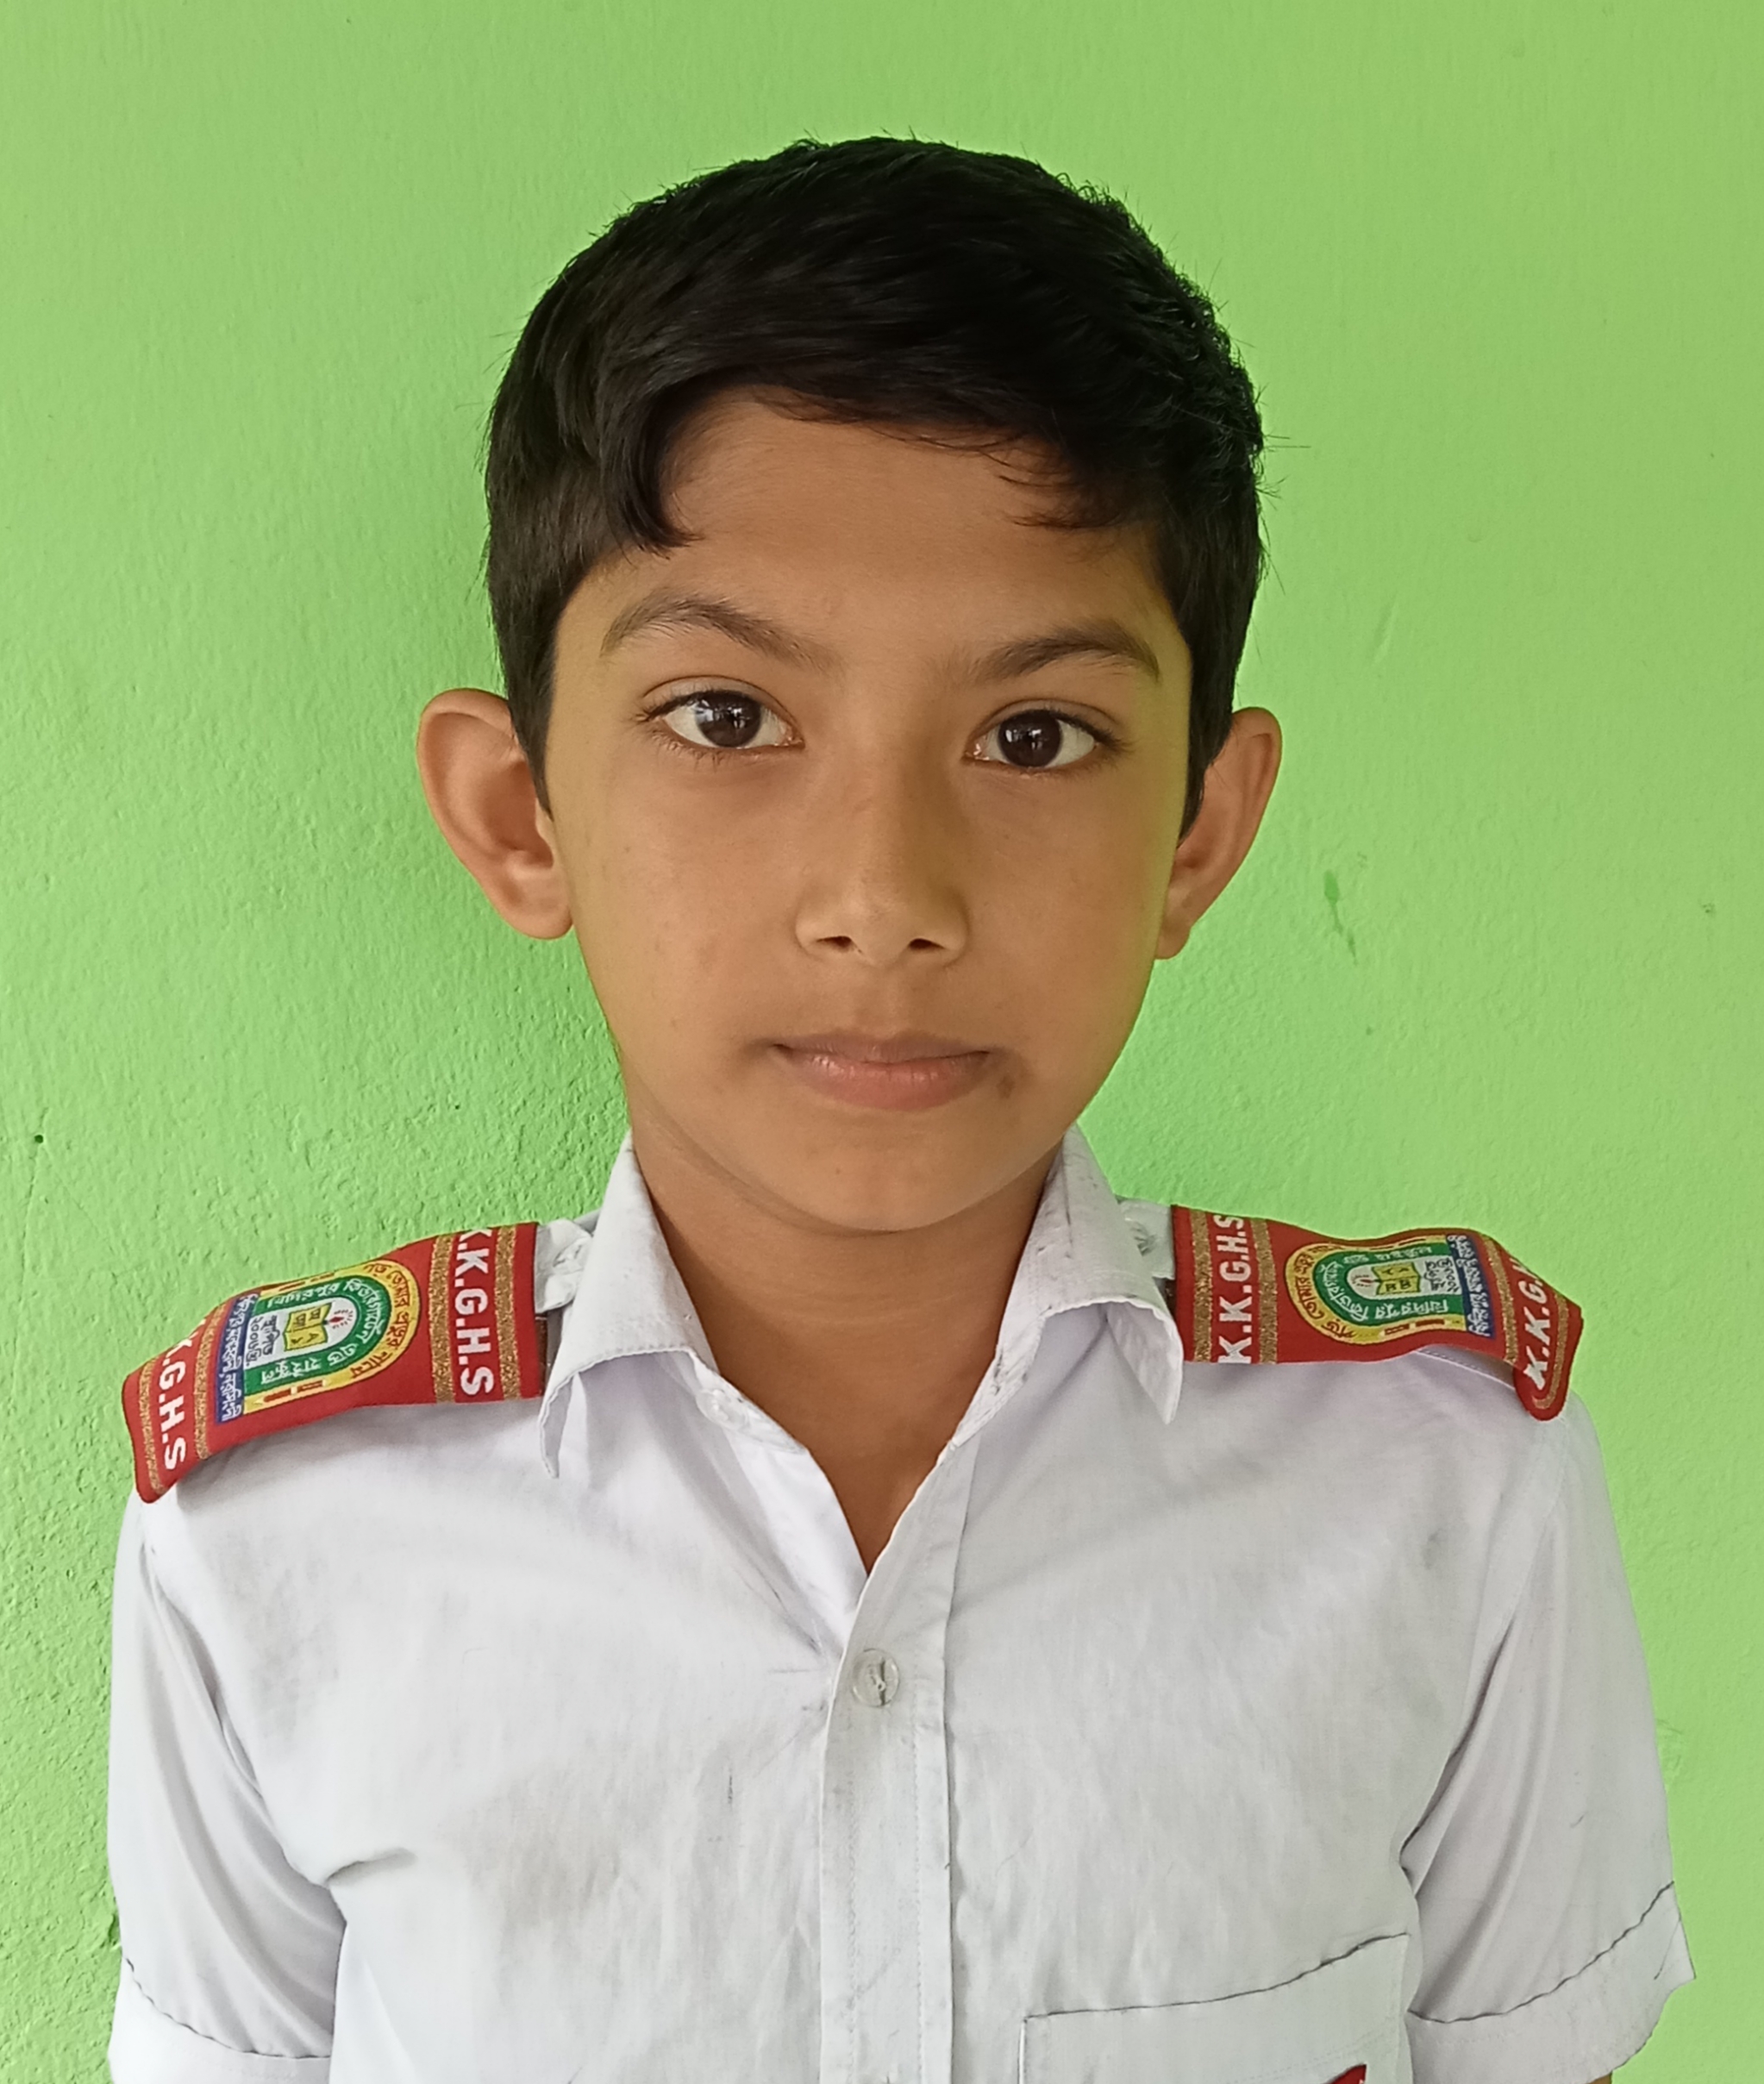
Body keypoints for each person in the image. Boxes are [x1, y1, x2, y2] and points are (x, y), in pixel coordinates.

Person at [105, 138, 1689, 2084]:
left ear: (1199, 835)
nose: (884, 894)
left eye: (1035, 735)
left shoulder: (1441, 1481)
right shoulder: (277, 1532)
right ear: (521, 815)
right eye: (726, 717)